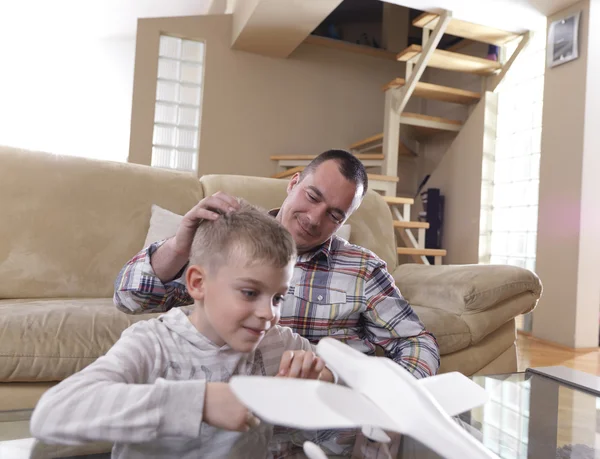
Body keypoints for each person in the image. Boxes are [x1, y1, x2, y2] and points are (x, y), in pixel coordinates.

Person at [114, 149, 440, 456]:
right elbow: (130, 297)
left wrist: (381, 394)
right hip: (241, 439)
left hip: (326, 436)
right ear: (294, 183)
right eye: (312, 197)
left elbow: (417, 342)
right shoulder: (232, 242)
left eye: (334, 215)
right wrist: (180, 243)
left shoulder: (364, 269)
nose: (314, 219)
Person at [31, 203, 334, 459]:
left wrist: (323, 378)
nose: (269, 313)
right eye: (250, 293)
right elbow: (53, 413)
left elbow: (345, 376)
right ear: (198, 284)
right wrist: (199, 402)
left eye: (278, 297)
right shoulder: (154, 343)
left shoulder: (276, 343)